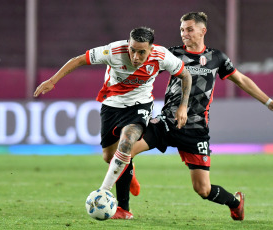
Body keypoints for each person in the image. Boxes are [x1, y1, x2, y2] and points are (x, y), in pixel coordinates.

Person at [114, 12, 273, 220]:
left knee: (203, 189)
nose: (184, 33)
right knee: (123, 152)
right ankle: (123, 208)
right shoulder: (173, 54)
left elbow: (241, 80)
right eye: (182, 30)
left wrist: (269, 102)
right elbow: (144, 71)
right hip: (167, 122)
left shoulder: (217, 58)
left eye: (189, 29)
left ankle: (235, 202)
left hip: (195, 129)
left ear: (202, 30)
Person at [33, 27, 192, 219]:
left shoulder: (162, 55)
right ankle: (128, 173)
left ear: (151, 49)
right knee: (110, 157)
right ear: (128, 44)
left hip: (139, 105)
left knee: (127, 142)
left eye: (142, 52)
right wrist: (53, 80)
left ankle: (109, 197)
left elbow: (186, 75)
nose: (135, 56)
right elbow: (79, 60)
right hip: (112, 105)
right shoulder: (114, 51)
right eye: (132, 49)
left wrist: (183, 106)